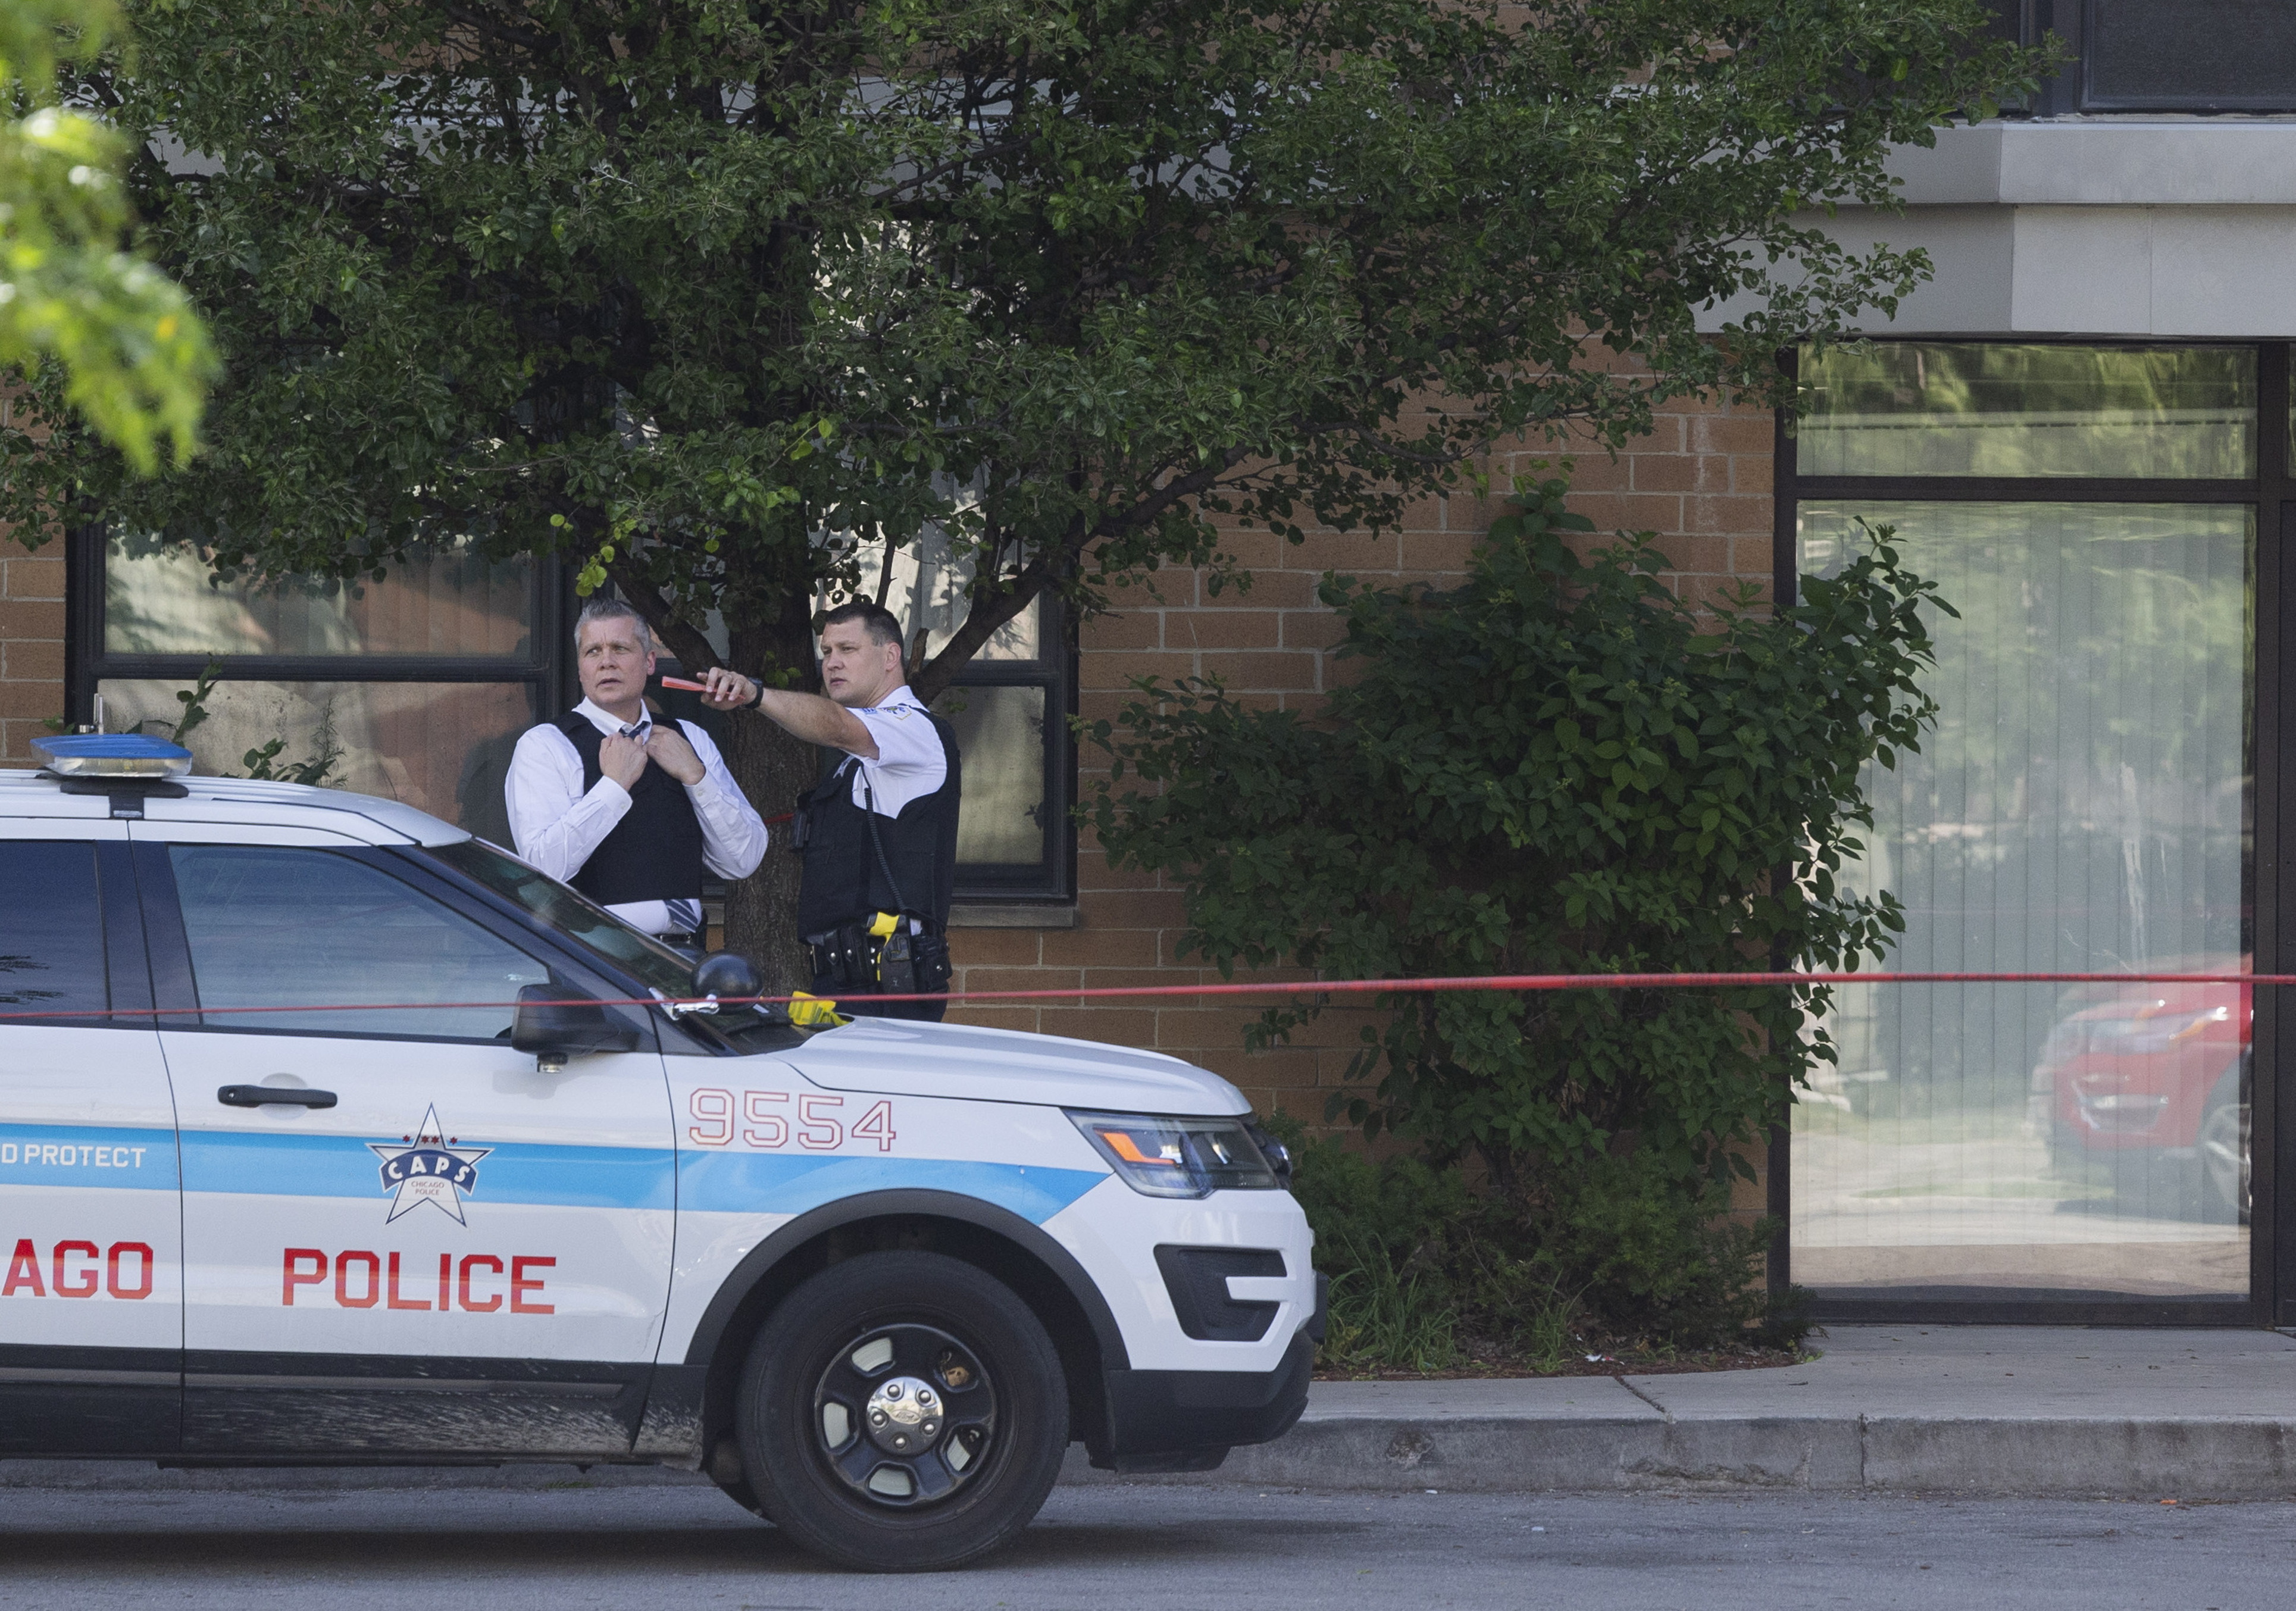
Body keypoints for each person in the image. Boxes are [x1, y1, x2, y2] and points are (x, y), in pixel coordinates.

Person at [697, 601, 959, 1021]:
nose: (832, 663)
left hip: (888, 983)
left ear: (891, 656)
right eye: (826, 652)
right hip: (841, 976)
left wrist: (755, 694)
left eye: (847, 650)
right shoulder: (862, 754)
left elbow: (837, 725)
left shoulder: (913, 728)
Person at [505, 599, 768, 950]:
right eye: (592, 652)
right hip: (595, 956)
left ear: (649, 662)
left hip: (687, 954)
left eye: (620, 648)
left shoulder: (690, 739)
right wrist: (613, 788)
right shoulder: (546, 746)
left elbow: (743, 861)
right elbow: (543, 869)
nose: (606, 662)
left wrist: (696, 776)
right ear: (581, 668)